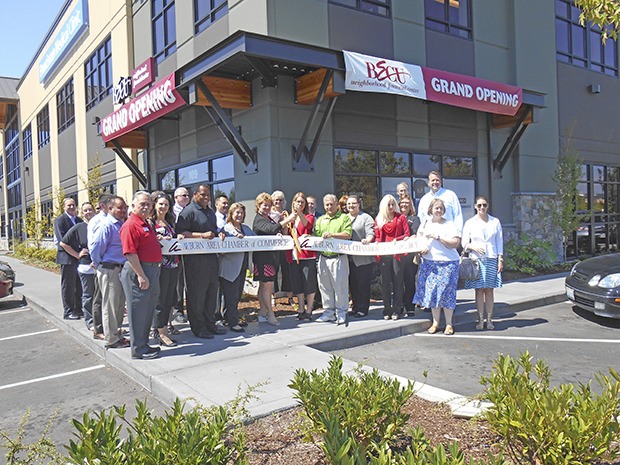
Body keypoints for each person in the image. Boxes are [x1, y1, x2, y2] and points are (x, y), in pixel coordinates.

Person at [176, 184, 226, 339]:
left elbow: (214, 231)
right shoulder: (188, 212)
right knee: (197, 295)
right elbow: (180, 233)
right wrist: (201, 235)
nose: (206, 198)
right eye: (203, 195)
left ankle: (210, 324)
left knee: (211, 293)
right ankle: (198, 327)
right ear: (195, 195)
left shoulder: (210, 212)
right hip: (195, 262)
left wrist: (221, 233)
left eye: (208, 195)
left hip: (211, 260)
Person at [120, 192, 163, 360]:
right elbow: (130, 253)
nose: (146, 207)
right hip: (139, 271)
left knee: (147, 310)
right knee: (138, 311)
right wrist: (141, 275)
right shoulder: (131, 224)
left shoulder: (144, 223)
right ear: (133, 206)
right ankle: (138, 349)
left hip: (151, 270)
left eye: (148, 204)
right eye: (142, 204)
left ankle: (144, 344)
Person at [414, 199, 461, 335]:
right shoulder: (425, 224)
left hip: (448, 263)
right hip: (430, 263)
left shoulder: (450, 224)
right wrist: (421, 249)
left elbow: (455, 243)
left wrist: (439, 237)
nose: (439, 211)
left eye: (441, 208)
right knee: (434, 294)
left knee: (447, 294)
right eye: (436, 208)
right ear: (431, 210)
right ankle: (435, 323)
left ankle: (448, 324)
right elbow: (419, 240)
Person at [89, 196, 130, 349]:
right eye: (120, 208)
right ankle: (111, 339)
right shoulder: (106, 225)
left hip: (120, 269)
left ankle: (117, 334)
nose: (123, 210)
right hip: (109, 269)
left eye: (125, 207)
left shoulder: (121, 225)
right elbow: (95, 248)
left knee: (119, 305)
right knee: (110, 306)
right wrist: (99, 264)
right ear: (110, 208)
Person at [252, 192, 296, 325]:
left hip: (271, 258)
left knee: (264, 286)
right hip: (263, 259)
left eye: (268, 205)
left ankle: (262, 312)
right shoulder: (259, 220)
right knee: (267, 286)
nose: (266, 208)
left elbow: (274, 229)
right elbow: (271, 229)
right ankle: (270, 314)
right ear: (258, 206)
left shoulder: (268, 218)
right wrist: (287, 220)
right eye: (264, 205)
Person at [461, 196, 504, 330]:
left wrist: (500, 259)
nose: (482, 208)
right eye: (479, 205)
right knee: (479, 291)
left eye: (484, 205)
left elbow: (499, 241)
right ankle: (480, 320)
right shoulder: (470, 223)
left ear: (488, 206)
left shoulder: (495, 222)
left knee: (489, 291)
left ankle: (489, 320)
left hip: (491, 259)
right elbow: (464, 242)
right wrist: (472, 247)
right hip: (476, 260)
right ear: (475, 206)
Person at [314, 194, 352, 325]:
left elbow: (348, 234)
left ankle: (341, 312)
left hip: (338, 258)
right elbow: (316, 235)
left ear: (337, 205)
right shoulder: (320, 220)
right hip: (324, 258)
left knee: (340, 287)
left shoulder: (344, 218)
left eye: (331, 204)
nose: (329, 207)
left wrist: (332, 235)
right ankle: (329, 312)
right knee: (325, 287)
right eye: (327, 205)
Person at [218, 202, 256, 332]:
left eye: (242, 213)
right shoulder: (225, 229)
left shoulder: (246, 228)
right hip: (229, 267)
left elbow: (258, 240)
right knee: (230, 295)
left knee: (237, 295)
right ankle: (233, 323)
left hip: (243, 266)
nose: (240, 215)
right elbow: (220, 248)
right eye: (237, 212)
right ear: (231, 214)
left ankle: (228, 319)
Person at [149, 192, 180, 347]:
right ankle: (160, 332)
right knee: (160, 300)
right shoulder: (150, 223)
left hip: (173, 265)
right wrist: (158, 239)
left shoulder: (169, 223)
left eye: (166, 204)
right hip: (159, 266)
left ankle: (165, 328)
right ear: (155, 205)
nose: (163, 207)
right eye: (161, 204)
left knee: (169, 298)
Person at [60, 202, 96, 331]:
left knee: (101, 296)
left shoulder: (100, 224)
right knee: (88, 295)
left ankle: (101, 321)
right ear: (82, 213)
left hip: (101, 266)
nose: (88, 212)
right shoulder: (80, 227)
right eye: (85, 210)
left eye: (90, 210)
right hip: (86, 266)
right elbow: (63, 243)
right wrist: (77, 254)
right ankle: (90, 321)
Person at [375, 195, 409, 320]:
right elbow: (377, 236)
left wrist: (397, 239)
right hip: (384, 254)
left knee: (398, 282)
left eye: (393, 204)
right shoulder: (379, 219)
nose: (391, 207)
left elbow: (407, 234)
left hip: (397, 254)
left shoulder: (401, 218)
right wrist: (377, 242)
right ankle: (387, 309)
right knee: (385, 283)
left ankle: (397, 309)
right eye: (388, 205)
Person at [286, 192, 317, 321]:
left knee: (308, 283)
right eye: (297, 201)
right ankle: (301, 309)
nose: (299, 204)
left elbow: (306, 225)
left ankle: (309, 310)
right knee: (297, 284)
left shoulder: (309, 216)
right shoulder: (290, 218)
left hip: (307, 255)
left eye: (302, 202)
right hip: (294, 255)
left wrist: (299, 213)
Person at [87, 193, 113, 340]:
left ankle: (110, 327)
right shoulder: (96, 221)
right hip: (102, 265)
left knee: (110, 299)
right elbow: (93, 245)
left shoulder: (112, 219)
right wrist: (96, 262)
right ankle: (98, 329)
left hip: (113, 265)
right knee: (99, 297)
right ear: (103, 205)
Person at [54, 198, 84, 320]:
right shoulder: (59, 221)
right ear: (64, 207)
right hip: (67, 258)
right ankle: (68, 311)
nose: (72, 207)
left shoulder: (78, 220)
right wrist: (76, 254)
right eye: (69, 205)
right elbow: (62, 241)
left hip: (79, 257)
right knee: (68, 285)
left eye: (73, 205)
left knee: (78, 284)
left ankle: (77, 308)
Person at [346, 195, 375, 318]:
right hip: (348, 258)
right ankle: (355, 306)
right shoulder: (344, 218)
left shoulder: (366, 218)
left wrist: (368, 240)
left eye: (354, 203)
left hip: (363, 259)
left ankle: (363, 309)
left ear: (359, 204)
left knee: (362, 285)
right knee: (353, 285)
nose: (351, 206)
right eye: (349, 204)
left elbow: (371, 232)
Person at [270, 190, 295, 307]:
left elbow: (286, 231)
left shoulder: (286, 214)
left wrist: (284, 220)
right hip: (273, 247)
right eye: (276, 200)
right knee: (273, 271)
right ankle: (272, 297)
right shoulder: (269, 214)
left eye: (280, 200)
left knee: (287, 271)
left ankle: (290, 297)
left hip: (285, 247)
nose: (278, 202)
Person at [398, 195, 420, 316]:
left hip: (410, 256)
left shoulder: (415, 219)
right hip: (398, 255)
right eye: (402, 203)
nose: (404, 205)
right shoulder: (395, 218)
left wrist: (407, 238)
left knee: (410, 281)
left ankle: (410, 307)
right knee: (398, 281)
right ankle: (399, 305)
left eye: (407, 203)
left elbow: (416, 234)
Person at [171, 187, 190, 325]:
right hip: (175, 253)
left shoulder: (190, 211)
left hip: (191, 252)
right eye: (183, 195)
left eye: (188, 195)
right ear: (176, 197)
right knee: (178, 284)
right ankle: (178, 310)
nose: (186, 197)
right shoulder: (171, 213)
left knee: (189, 282)